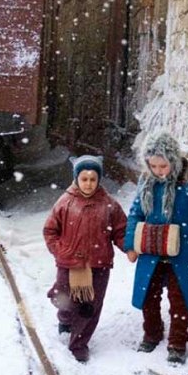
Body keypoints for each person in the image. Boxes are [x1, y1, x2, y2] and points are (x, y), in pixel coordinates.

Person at [124, 130, 188, 364]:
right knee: (149, 294)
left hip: (183, 250)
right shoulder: (147, 181)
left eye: (163, 166)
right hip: (152, 249)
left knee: (180, 296)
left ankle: (177, 341)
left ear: (173, 160)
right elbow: (136, 212)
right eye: (153, 166)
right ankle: (152, 332)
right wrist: (131, 245)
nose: (159, 171)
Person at [43, 155, 127, 363]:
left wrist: (130, 247)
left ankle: (79, 344)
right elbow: (50, 230)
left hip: (98, 265)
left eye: (92, 179)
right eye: (84, 179)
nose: (88, 183)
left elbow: (121, 231)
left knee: (90, 306)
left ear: (98, 180)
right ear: (76, 179)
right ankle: (65, 317)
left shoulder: (109, 205)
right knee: (65, 298)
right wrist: (60, 250)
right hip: (69, 263)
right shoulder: (66, 202)